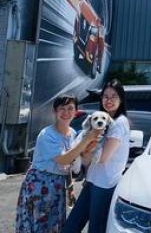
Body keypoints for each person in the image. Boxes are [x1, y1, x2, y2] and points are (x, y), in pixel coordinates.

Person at [15, 95, 101, 233]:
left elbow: (70, 163)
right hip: (39, 184)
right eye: (62, 108)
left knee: (53, 225)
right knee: (39, 225)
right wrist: (86, 140)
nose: (66, 112)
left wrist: (70, 187)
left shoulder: (72, 133)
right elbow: (63, 159)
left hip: (58, 186)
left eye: (70, 108)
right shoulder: (47, 134)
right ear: (55, 111)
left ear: (76, 112)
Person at [63, 79, 130, 233]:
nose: (109, 100)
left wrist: (85, 149)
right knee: (71, 225)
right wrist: (85, 150)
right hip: (92, 180)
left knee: (96, 228)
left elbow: (102, 158)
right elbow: (87, 161)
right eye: (105, 96)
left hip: (105, 183)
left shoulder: (119, 123)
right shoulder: (100, 121)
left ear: (121, 99)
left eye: (114, 96)